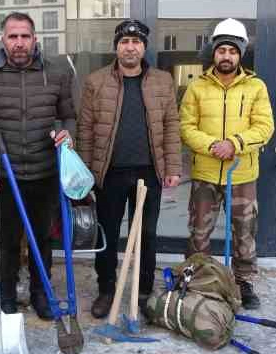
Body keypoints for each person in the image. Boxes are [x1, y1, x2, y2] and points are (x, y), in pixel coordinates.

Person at [0, 12, 74, 320]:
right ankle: (7, 295)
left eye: (25, 36)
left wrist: (69, 133)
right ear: (3, 40)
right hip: (3, 176)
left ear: (35, 39)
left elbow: (69, 115)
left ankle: (40, 293)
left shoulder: (57, 72)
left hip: (44, 172)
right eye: (13, 36)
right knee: (6, 241)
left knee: (42, 239)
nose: (19, 43)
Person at [76, 19, 182, 319]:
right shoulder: (96, 82)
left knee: (147, 234)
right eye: (125, 42)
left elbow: (171, 125)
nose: (130, 47)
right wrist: (85, 175)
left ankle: (144, 291)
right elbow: (85, 129)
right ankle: (107, 289)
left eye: (136, 42)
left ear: (144, 47)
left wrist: (172, 165)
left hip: (150, 173)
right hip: (109, 172)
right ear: (117, 47)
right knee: (106, 233)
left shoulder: (162, 81)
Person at [179, 18, 274, 310]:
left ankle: (243, 282)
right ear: (214, 52)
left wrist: (234, 143)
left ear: (240, 54)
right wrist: (211, 146)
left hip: (242, 174)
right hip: (205, 173)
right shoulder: (197, 88)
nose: (226, 56)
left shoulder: (256, 87)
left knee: (245, 231)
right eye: (222, 50)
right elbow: (185, 126)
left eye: (232, 51)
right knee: (199, 232)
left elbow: (264, 126)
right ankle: (198, 280)